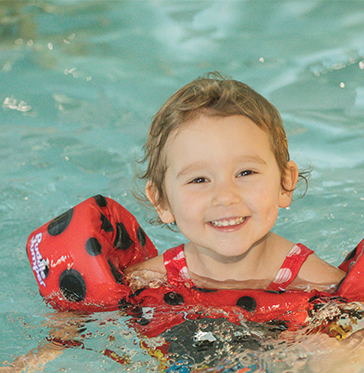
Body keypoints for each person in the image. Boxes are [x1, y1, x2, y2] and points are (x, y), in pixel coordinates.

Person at [126, 72, 346, 292]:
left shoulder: (323, 284)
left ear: (284, 183)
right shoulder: (143, 282)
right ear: (162, 202)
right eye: (199, 179)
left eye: (245, 173)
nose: (225, 196)